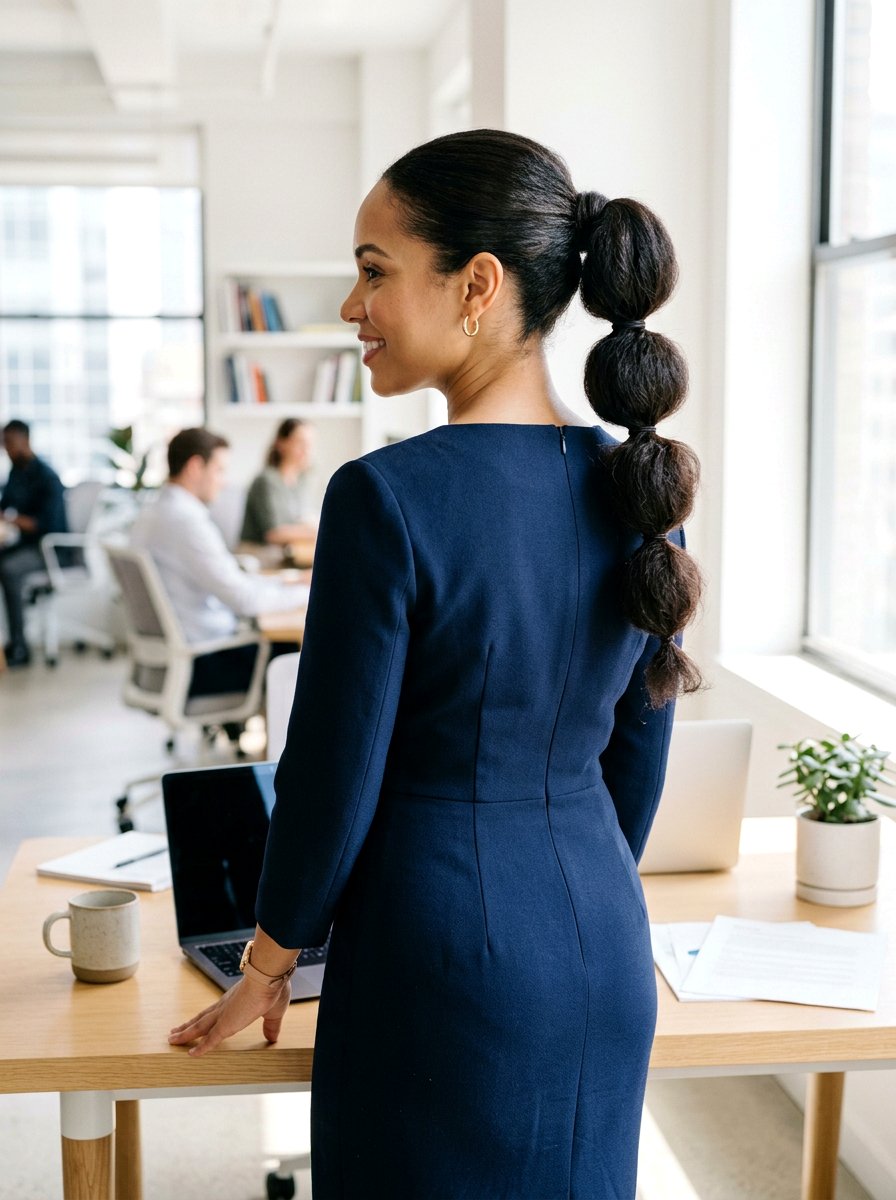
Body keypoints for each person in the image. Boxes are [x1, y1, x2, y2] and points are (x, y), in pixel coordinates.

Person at [169, 130, 703, 1198]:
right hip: (602, 943)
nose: (349, 306)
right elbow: (634, 761)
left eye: (373, 271)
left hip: (438, 961)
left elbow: (329, 771)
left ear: (477, 286)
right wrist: (573, 876)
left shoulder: (385, 498)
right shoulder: (643, 493)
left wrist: (267, 963)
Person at [130, 427, 306, 697]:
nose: (224, 482)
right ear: (195, 467)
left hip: (174, 661)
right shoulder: (186, 522)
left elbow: (230, 579)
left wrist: (288, 581)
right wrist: (309, 591)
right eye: (220, 470)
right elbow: (244, 600)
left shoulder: (155, 512)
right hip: (204, 662)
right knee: (294, 654)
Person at [0, 419, 68, 668]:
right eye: (4, 444)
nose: (6, 449)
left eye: (10, 443)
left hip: (52, 551)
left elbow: (45, 526)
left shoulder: (47, 477)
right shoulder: (16, 472)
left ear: (25, 440)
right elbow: (4, 505)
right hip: (28, 546)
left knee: (8, 569)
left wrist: (11, 519)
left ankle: (19, 646)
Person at [240, 418, 317, 548]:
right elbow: (273, 533)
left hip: (287, 553)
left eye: (310, 444)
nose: (307, 450)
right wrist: (318, 531)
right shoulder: (266, 481)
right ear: (281, 444)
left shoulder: (302, 481)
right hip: (259, 554)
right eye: (300, 443)